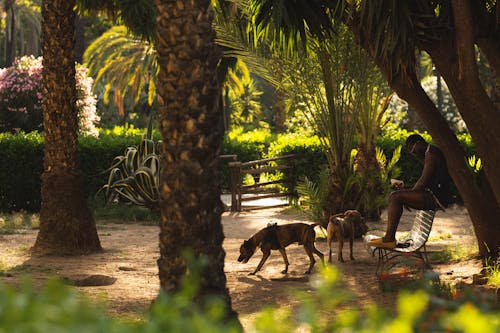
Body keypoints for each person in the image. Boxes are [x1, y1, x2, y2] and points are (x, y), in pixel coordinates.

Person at [367, 134, 452, 248]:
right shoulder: (430, 152)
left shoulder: (431, 153)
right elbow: (425, 182)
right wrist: (408, 193)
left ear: (419, 143)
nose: (415, 154)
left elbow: (422, 181)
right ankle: (389, 238)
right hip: (433, 194)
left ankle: (389, 238)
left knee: (395, 197)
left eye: (413, 150)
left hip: (436, 197)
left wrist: (409, 195)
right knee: (396, 196)